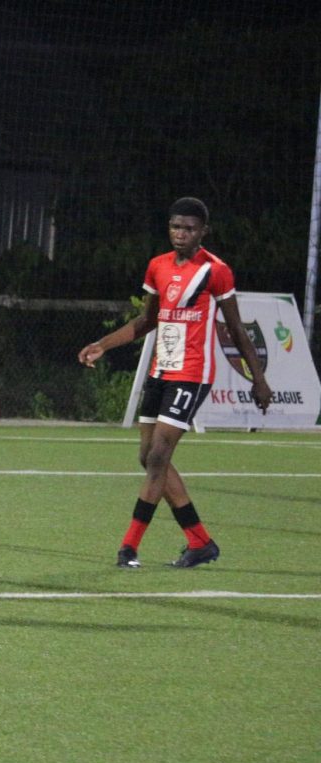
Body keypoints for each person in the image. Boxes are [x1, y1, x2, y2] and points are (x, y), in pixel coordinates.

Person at [78, 197, 272, 568]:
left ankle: (129, 548)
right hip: (161, 371)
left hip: (192, 374)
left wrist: (258, 379)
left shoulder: (216, 271)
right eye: (175, 227)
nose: (181, 234)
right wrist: (102, 344)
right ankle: (199, 541)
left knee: (157, 458)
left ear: (203, 232)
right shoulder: (158, 266)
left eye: (189, 228)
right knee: (146, 457)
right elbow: (145, 321)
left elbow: (235, 329)